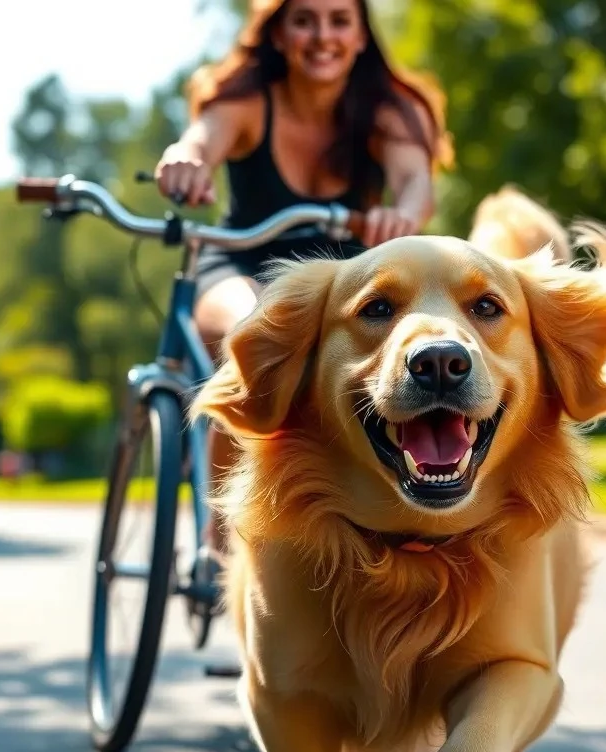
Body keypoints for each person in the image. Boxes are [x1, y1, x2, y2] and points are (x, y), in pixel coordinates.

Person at [154, 0, 452, 557]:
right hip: (241, 262)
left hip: (344, 281)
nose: (323, 36)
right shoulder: (248, 99)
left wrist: (404, 214)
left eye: (339, 20)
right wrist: (184, 159)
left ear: (362, 35)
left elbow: (415, 181)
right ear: (279, 33)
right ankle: (222, 535)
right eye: (304, 20)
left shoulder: (385, 108)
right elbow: (201, 139)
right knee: (256, 333)